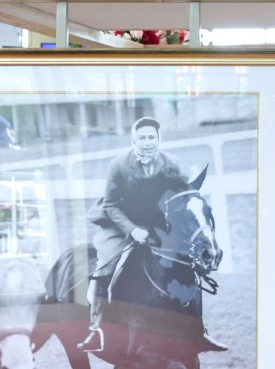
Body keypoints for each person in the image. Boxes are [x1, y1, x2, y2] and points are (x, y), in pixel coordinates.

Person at [79, 116, 191, 354]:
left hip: (157, 225)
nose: (148, 142)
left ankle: (196, 327)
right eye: (142, 138)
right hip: (119, 224)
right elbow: (110, 204)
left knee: (186, 262)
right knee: (106, 266)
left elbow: (180, 198)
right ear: (134, 139)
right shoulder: (119, 165)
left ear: (159, 138)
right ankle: (96, 329)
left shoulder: (173, 162)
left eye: (152, 137)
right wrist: (132, 229)